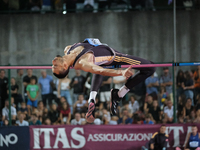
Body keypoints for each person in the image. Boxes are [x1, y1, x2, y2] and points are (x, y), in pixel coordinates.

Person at [52, 38, 155, 123]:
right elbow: (100, 71)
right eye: (55, 66)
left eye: (53, 65)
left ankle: (92, 98)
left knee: (149, 63)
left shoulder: (68, 49)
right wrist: (120, 73)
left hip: (104, 53)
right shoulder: (83, 63)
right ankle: (119, 94)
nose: (53, 62)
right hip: (117, 58)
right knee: (151, 68)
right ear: (65, 66)